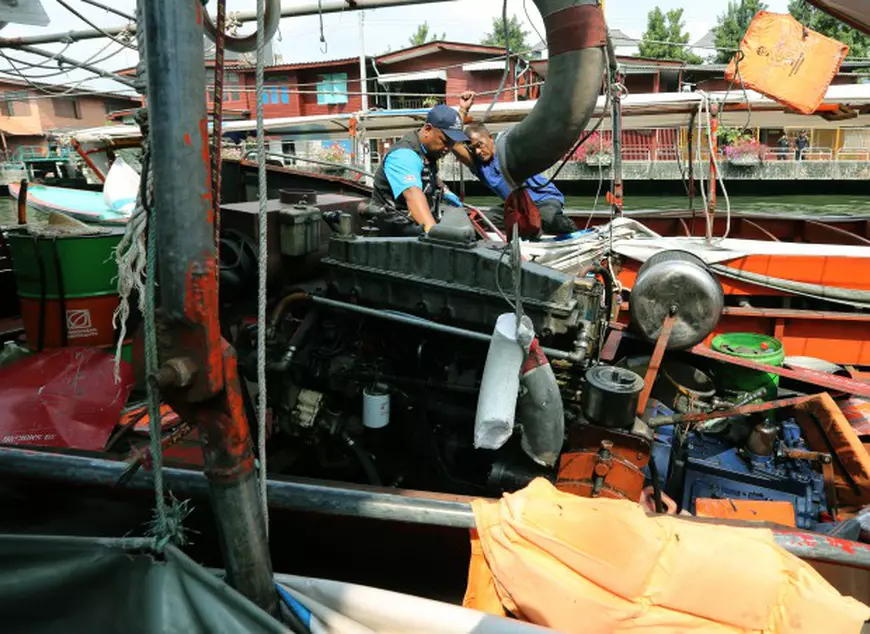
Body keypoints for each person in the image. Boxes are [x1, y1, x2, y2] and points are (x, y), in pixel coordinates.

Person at [449, 91, 576, 237]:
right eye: (473, 149)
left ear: (490, 138)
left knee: (547, 219)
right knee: (483, 221)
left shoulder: (507, 150)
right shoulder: (479, 166)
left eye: (480, 144)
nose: (478, 151)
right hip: (517, 205)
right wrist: (463, 110)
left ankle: (571, 231)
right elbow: (453, 143)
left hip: (544, 199)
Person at [366, 103, 469, 236]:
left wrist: (445, 190)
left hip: (413, 227)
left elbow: (428, 175)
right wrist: (436, 237)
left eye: (452, 144)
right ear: (427, 129)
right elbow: (414, 196)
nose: (448, 149)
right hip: (393, 234)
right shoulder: (403, 155)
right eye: (445, 141)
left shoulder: (429, 151)